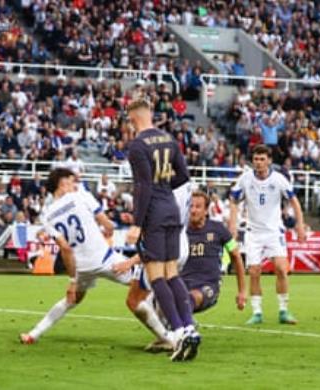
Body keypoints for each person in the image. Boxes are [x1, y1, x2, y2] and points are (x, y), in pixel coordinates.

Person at [117, 191, 246, 353]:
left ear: (206, 210)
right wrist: (129, 262)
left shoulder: (218, 229)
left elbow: (236, 255)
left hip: (207, 286)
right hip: (180, 282)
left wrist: (242, 291)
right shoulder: (178, 232)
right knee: (150, 300)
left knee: (189, 297)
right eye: (191, 206)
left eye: (198, 207)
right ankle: (170, 335)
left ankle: (183, 328)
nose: (193, 210)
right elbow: (154, 250)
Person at [19, 168, 133, 344]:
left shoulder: (46, 215)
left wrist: (73, 279)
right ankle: (170, 331)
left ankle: (33, 334)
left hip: (82, 268)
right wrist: (112, 226)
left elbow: (65, 247)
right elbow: (107, 224)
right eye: (72, 181)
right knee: (146, 283)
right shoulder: (81, 195)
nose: (75, 185)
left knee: (71, 300)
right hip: (105, 259)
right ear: (62, 183)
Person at [124, 98, 199, 361]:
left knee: (157, 277)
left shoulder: (137, 145)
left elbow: (143, 186)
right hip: (172, 210)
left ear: (133, 118)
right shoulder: (169, 140)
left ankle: (178, 334)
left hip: (154, 214)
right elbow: (183, 176)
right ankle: (189, 326)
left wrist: (137, 223)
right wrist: (163, 184)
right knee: (172, 274)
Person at [228, 144, 306, 325]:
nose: (259, 163)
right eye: (256, 159)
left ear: (269, 161)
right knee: (254, 271)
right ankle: (257, 312)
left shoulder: (278, 180)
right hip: (253, 232)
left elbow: (294, 201)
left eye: (262, 159)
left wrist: (299, 225)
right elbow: (233, 201)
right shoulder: (245, 179)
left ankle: (283, 310)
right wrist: (232, 224)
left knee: (280, 268)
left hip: (274, 231)